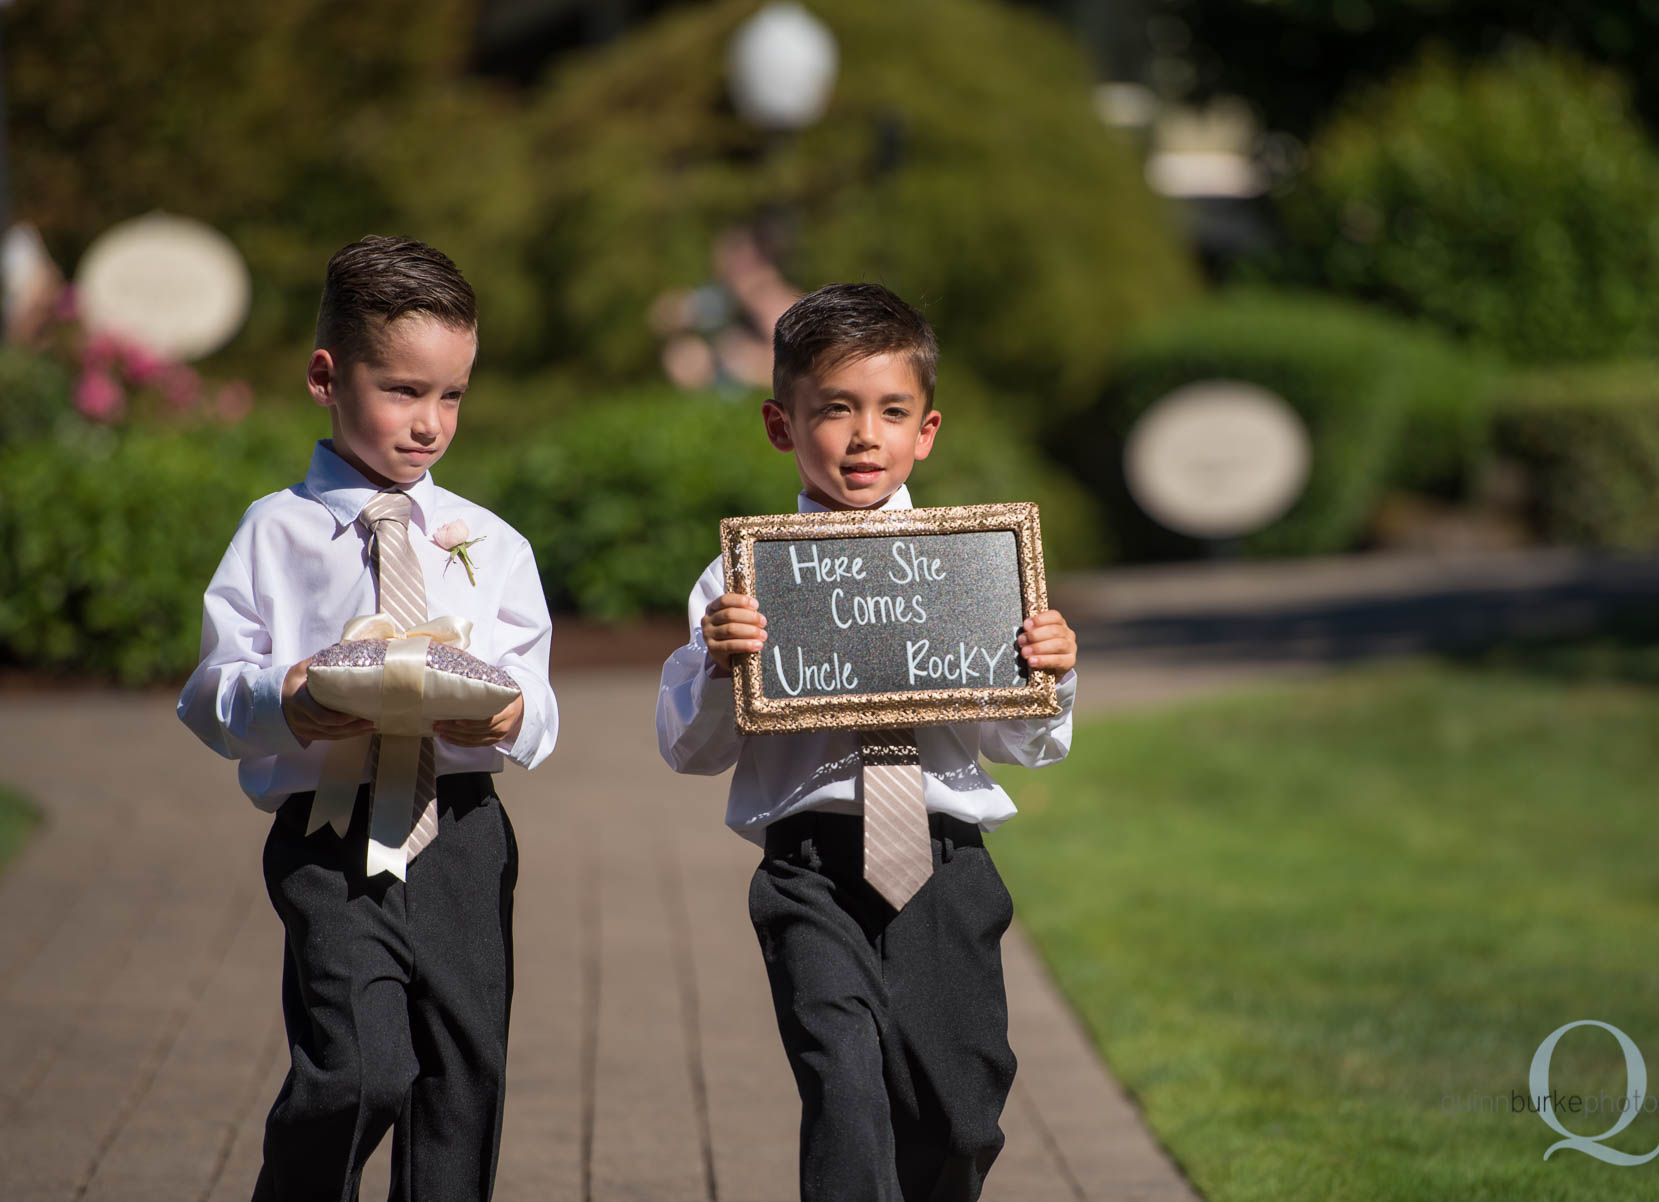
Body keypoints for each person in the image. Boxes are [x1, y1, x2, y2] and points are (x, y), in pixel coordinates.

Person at [655, 282, 1079, 1201]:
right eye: (834, 410)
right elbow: (690, 751)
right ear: (781, 424)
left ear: (926, 431)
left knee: (960, 1115)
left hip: (946, 863)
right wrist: (722, 667)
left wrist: (1049, 671)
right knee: (843, 1086)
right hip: (810, 872)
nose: (863, 436)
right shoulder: (744, 578)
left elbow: (1027, 744)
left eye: (892, 412)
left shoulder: (973, 565)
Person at [177, 236, 558, 1202]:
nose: (430, 424)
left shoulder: (491, 543)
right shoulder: (276, 531)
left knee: (459, 1083)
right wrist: (289, 700)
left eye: (452, 396)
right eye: (403, 391)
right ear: (326, 376)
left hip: (464, 835)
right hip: (328, 836)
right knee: (357, 1070)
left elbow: (537, 698)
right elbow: (209, 693)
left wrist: (508, 716)